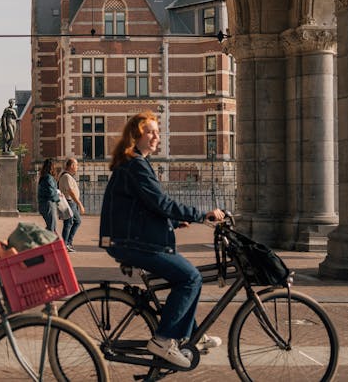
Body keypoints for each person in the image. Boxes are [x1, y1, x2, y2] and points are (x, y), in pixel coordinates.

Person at [99, 111, 224, 369]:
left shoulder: (136, 162)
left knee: (190, 278)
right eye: (151, 132)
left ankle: (188, 336)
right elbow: (161, 202)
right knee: (190, 277)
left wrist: (175, 221)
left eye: (157, 131)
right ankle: (164, 339)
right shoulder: (135, 164)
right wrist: (203, 215)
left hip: (132, 239)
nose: (157, 136)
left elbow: (145, 207)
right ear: (136, 136)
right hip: (132, 243)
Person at [58, 157, 85, 252]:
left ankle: (68, 243)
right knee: (68, 223)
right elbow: (70, 191)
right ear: (72, 166)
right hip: (69, 202)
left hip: (71, 203)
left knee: (76, 221)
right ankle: (65, 244)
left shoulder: (67, 176)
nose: (77, 167)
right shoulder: (66, 176)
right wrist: (80, 204)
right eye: (76, 165)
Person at [36, 158, 59, 233]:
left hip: (44, 204)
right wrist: (58, 197)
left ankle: (46, 241)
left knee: (50, 226)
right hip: (49, 204)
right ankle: (45, 241)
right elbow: (51, 192)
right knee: (52, 227)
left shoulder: (43, 177)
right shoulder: (49, 177)